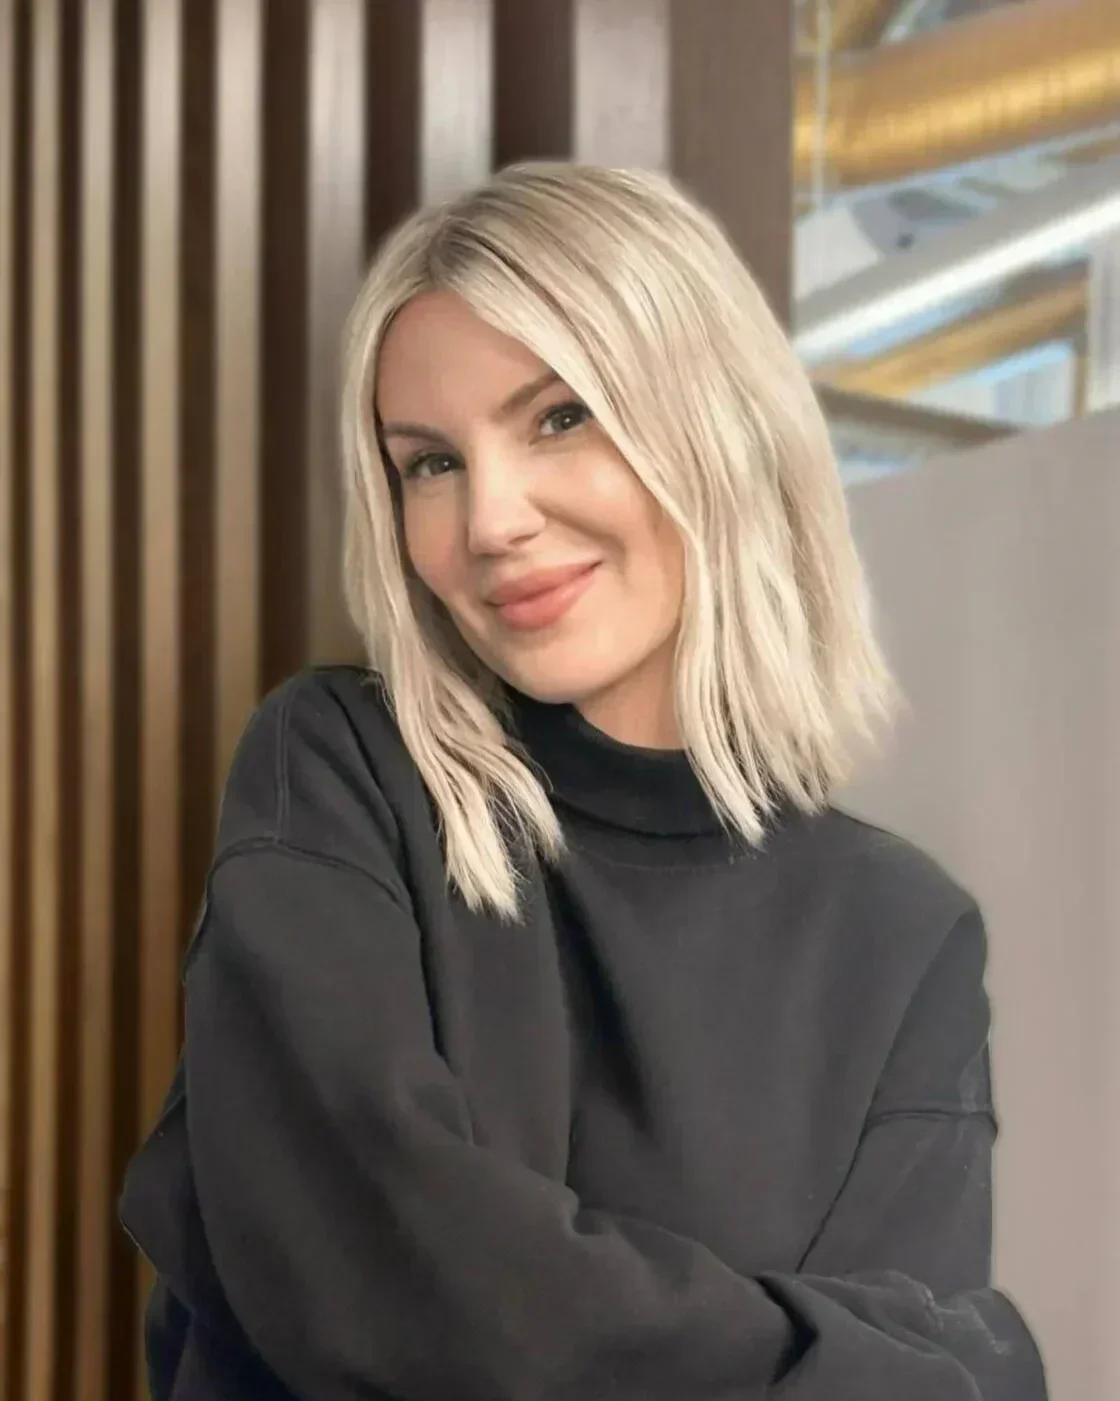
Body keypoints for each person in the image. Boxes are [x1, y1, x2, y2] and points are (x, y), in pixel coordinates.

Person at [119, 162, 1047, 1400]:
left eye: (559, 416)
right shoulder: (343, 774)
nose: (489, 520)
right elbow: (381, 1280)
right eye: (428, 464)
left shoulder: (902, 931)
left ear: (715, 424)